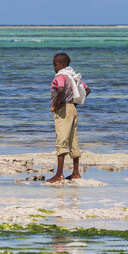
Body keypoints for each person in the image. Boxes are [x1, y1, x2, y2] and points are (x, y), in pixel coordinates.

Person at [47, 52, 91, 183]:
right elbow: (87, 90)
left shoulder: (60, 76)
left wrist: (57, 102)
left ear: (62, 65)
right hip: (73, 108)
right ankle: (75, 172)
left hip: (63, 110)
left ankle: (59, 174)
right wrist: (76, 103)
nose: (53, 67)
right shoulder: (72, 76)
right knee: (73, 139)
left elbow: (60, 89)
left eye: (55, 65)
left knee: (61, 140)